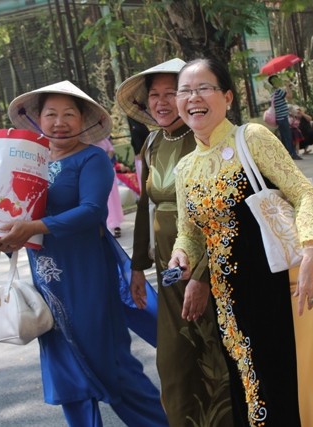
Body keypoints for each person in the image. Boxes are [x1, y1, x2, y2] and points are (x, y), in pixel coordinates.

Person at [169, 58, 313, 427]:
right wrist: (181, 256)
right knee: (255, 385)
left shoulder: (250, 138)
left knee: (301, 382)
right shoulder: (185, 168)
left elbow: (302, 193)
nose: (193, 97)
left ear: (227, 97)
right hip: (231, 301)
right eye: (185, 91)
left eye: (203, 88)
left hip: (285, 288)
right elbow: (189, 232)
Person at [0, 80, 168, 427]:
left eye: (69, 114)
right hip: (47, 278)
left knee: (112, 363)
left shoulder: (92, 159)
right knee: (66, 372)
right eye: (51, 114)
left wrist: (34, 227)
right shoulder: (31, 161)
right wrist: (8, 237)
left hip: (89, 274)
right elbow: (15, 209)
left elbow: (91, 211)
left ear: (84, 120)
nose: (60, 122)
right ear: (37, 119)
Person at [116, 58, 234, 426]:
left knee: (216, 348)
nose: (162, 102)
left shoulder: (203, 140)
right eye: (155, 95)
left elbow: (223, 215)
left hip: (210, 262)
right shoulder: (151, 143)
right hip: (167, 266)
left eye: (172, 92)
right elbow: (143, 205)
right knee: (174, 357)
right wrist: (137, 267)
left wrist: (202, 276)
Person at [94, 136, 125, 238]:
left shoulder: (102, 139)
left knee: (112, 198)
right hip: (94, 173)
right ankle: (105, 225)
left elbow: (111, 150)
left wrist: (104, 160)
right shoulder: (83, 141)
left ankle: (115, 225)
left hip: (106, 169)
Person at [268, 74, 302, 160]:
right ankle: (292, 154)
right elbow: (290, 96)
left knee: (284, 136)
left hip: (279, 118)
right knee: (288, 136)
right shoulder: (278, 91)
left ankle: (286, 155)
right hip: (283, 118)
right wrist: (287, 86)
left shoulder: (273, 92)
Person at [127, 115, 151, 190]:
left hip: (142, 158)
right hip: (146, 156)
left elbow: (138, 143)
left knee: (145, 180)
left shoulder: (136, 129)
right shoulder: (142, 127)